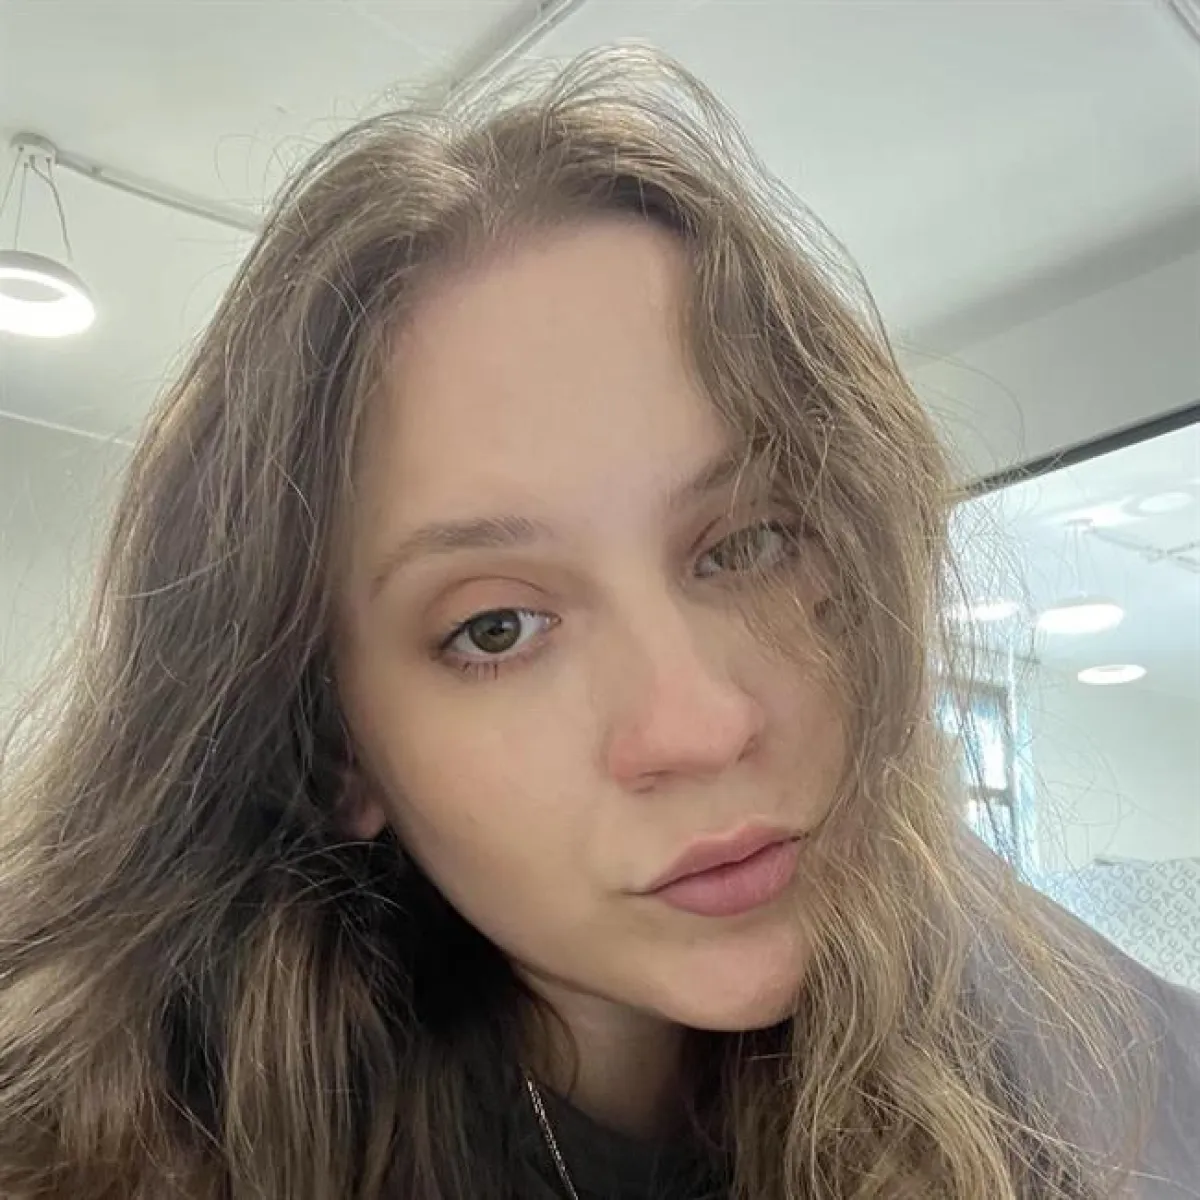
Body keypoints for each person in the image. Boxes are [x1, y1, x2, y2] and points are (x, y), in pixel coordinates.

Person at [0, 45, 1196, 1200]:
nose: (703, 724)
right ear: (334, 748)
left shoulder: (1028, 1050)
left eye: (748, 544)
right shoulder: (111, 1155)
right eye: (498, 628)